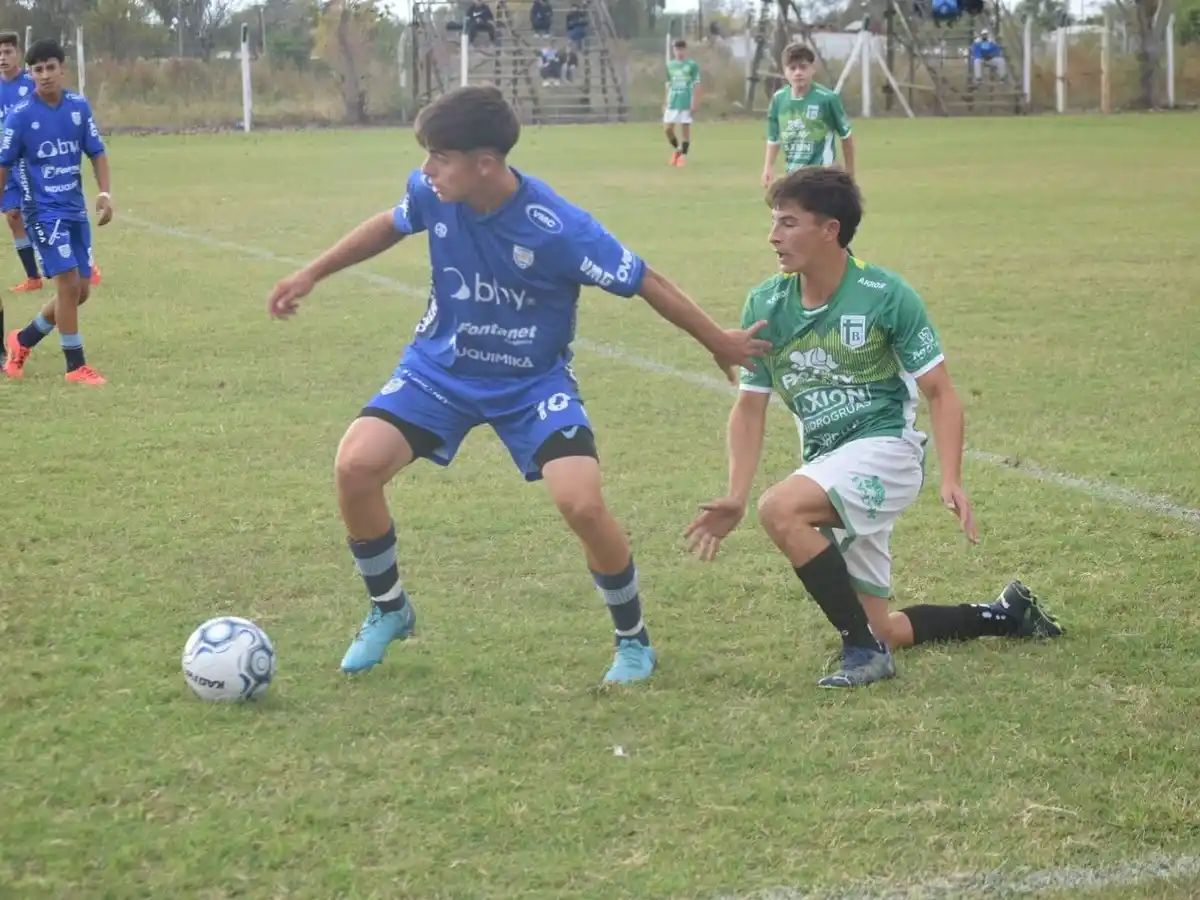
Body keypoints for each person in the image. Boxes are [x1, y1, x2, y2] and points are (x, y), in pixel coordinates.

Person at [265, 85, 770, 685]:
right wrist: (313, 272)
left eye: (440, 157)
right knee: (355, 466)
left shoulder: (558, 228)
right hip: (440, 370)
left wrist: (717, 340)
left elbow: (644, 280)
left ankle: (633, 640)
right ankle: (389, 608)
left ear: (485, 164)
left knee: (582, 503)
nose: (427, 170)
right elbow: (389, 224)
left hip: (532, 385)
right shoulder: (432, 192)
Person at [685, 167, 1063, 688]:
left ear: (830, 230)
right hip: (827, 463)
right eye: (773, 222)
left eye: (788, 223)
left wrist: (952, 477)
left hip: (886, 452)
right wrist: (733, 494)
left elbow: (940, 391)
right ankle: (1004, 615)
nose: (773, 236)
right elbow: (750, 406)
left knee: (781, 509)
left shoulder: (884, 295)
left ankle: (863, 654)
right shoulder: (766, 304)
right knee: (883, 626)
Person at [1, 38, 112, 385]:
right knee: (67, 283)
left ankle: (23, 340)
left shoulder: (78, 106)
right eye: (38, 70)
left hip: (74, 210)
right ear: (31, 74)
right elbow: (3, 164)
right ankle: (75, 365)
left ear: (63, 69)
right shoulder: (21, 116)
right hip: (42, 212)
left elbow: (97, 152)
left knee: (81, 290)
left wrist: (104, 193)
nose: (45, 75)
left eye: (51, 67)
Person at [762, 43, 854, 188]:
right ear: (785, 71)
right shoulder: (778, 99)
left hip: (823, 174)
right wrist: (768, 167)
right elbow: (773, 138)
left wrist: (850, 172)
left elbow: (846, 136)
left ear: (813, 68)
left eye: (803, 67)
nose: (798, 72)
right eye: (792, 68)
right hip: (793, 175)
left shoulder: (827, 99)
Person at [0, 30, 39, 316]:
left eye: (7, 52)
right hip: (6, 163)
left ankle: (83, 263)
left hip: (30, 162)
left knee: (42, 215)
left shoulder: (31, 83)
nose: (2, 58)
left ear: (18, 54)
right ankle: (33, 277)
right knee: (13, 216)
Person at [663, 39, 700, 168]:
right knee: (667, 129)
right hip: (673, 101)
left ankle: (683, 157)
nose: (679, 52)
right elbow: (668, 84)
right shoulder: (670, 65)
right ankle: (677, 150)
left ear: (685, 50)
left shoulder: (692, 65)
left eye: (681, 49)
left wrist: (695, 102)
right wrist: (665, 101)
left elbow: (696, 84)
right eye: (676, 49)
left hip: (686, 101)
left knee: (685, 129)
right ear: (674, 50)